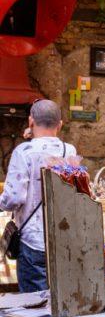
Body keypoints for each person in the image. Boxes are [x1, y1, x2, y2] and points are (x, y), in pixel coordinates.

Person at [0, 100, 76, 292]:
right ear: (60, 124)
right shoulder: (70, 151)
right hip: (62, 239)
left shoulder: (23, 152)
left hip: (32, 240)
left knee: (35, 305)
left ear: (30, 121)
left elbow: (13, 199)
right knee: (60, 299)